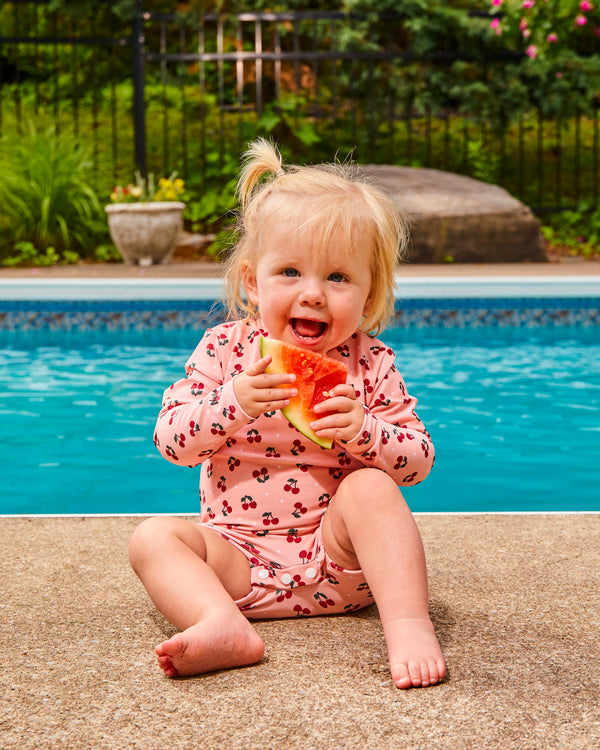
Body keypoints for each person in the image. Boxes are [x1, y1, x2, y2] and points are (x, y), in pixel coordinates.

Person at [128, 138, 446, 689]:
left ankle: (409, 624)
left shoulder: (369, 363)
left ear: (369, 298)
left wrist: (366, 432)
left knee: (372, 489)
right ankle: (222, 624)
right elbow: (172, 442)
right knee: (153, 538)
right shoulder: (225, 351)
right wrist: (232, 402)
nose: (314, 294)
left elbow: (418, 464)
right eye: (291, 272)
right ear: (253, 282)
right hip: (237, 564)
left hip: (340, 565)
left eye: (339, 278)